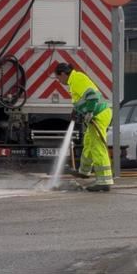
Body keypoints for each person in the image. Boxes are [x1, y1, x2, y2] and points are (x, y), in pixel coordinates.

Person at [54, 63, 113, 192]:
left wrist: (90, 112)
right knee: (88, 143)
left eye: (58, 78)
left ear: (63, 74)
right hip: (97, 116)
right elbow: (82, 99)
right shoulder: (75, 80)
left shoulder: (76, 79)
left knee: (98, 147)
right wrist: (76, 111)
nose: (59, 81)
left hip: (99, 115)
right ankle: (84, 171)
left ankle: (104, 181)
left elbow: (92, 96)